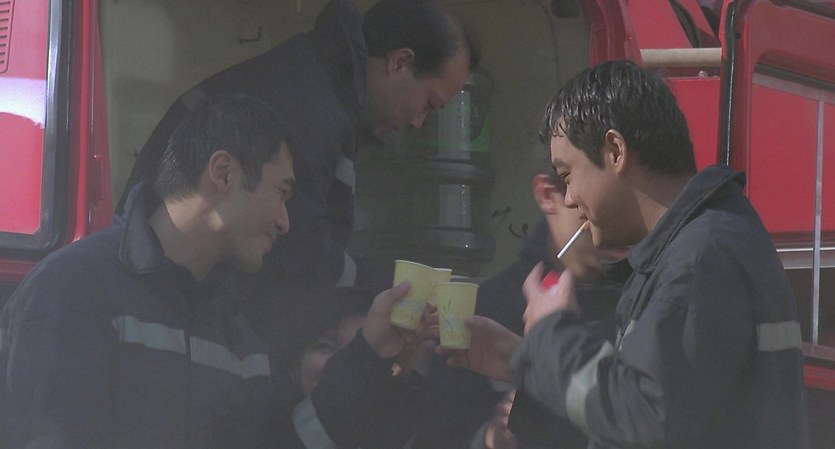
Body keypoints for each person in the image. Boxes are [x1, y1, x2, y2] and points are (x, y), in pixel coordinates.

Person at [448, 59, 810, 449]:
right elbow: (648, 403)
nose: (569, 199)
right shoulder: (697, 248)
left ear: (615, 151)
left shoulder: (700, 257)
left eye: (568, 175)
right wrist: (527, 358)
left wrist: (551, 337)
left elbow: (648, 419)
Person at [117, 0, 477, 361]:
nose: (418, 122)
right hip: (167, 313)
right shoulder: (308, 110)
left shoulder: (318, 88)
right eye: (429, 103)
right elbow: (302, 259)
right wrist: (400, 292)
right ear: (399, 62)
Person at [0, 95, 297, 449]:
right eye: (281, 192)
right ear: (224, 173)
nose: (284, 222)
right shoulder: (73, 290)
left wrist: (354, 371)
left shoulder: (242, 338)